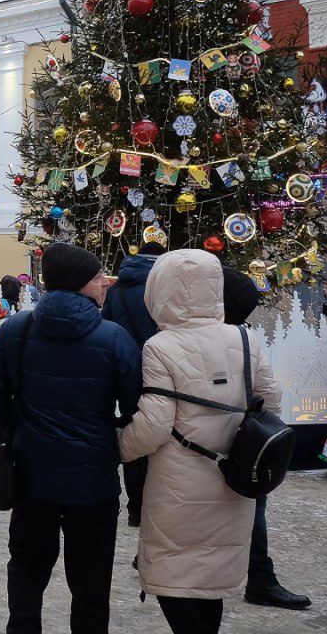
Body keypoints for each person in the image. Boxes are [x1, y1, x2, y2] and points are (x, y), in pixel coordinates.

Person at [0, 242, 141, 634]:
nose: (105, 282)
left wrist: (15, 430)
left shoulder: (13, 330)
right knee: (91, 581)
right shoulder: (115, 337)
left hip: (32, 476)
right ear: (82, 285)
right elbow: (135, 405)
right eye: (98, 276)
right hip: (93, 482)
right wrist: (111, 441)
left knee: (27, 571)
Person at [119, 250, 282, 633]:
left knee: (175, 577)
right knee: (210, 581)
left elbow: (155, 425)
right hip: (233, 478)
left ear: (160, 289)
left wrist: (118, 446)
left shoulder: (161, 346)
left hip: (180, 482)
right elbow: (270, 401)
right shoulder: (245, 339)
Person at [218, 266, 311, 612]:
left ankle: (150, 557)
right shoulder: (245, 340)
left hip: (192, 446)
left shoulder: (176, 336)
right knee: (252, 507)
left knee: (187, 507)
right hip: (240, 442)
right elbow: (271, 395)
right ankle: (260, 579)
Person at [101, 242, 166, 528]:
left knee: (133, 432)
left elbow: (105, 327)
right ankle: (158, 505)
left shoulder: (116, 289)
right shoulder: (164, 287)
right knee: (164, 437)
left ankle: (135, 508)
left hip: (127, 371)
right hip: (163, 370)